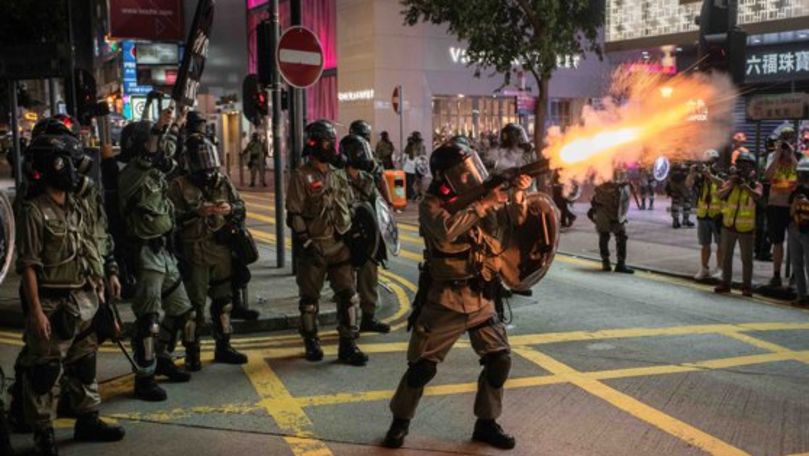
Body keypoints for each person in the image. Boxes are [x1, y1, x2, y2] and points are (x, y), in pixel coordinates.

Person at [383, 143, 531, 450]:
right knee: (421, 369)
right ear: (445, 178)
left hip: (480, 296)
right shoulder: (430, 205)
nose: (469, 177)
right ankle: (399, 423)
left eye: (470, 169)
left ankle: (486, 423)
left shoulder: (479, 197)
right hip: (444, 302)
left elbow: (510, 223)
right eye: (461, 173)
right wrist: (484, 202)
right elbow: (447, 230)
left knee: (499, 361)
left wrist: (516, 193)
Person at [16, 133, 124, 455]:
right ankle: (43, 433)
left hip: (85, 298)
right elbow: (29, 267)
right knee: (46, 371)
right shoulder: (34, 211)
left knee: (85, 362)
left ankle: (87, 418)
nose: (77, 170)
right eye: (68, 162)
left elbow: (88, 245)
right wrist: (36, 311)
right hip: (53, 303)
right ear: (55, 166)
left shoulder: (76, 205)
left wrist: (102, 280)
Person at [118, 109, 196, 401]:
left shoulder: (153, 174)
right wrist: (157, 130)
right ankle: (145, 376)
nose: (159, 148)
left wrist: (173, 126)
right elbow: (152, 153)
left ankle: (163, 357)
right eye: (151, 143)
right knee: (148, 321)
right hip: (144, 254)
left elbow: (165, 151)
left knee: (183, 312)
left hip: (164, 251)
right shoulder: (130, 177)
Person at [285, 120, 367, 365]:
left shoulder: (338, 174)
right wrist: (306, 244)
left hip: (339, 245)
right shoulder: (301, 176)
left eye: (333, 141)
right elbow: (294, 214)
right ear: (314, 143)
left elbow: (351, 204)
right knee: (310, 301)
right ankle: (311, 342)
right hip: (314, 248)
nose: (332, 146)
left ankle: (348, 345)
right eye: (327, 142)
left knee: (349, 297)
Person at [168, 125, 249, 370]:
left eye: (208, 157)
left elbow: (240, 206)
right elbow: (170, 220)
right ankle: (192, 352)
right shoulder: (178, 186)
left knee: (224, 302)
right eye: (200, 159)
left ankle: (223, 346)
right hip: (195, 253)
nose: (207, 166)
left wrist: (231, 209)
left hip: (221, 250)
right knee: (194, 309)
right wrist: (196, 213)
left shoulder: (222, 180)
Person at [340, 134, 391, 333]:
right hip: (345, 238)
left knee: (369, 277)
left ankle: (368, 317)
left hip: (366, 238)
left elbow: (376, 202)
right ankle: (347, 325)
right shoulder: (336, 179)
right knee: (346, 284)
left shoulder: (366, 178)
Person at [715, 151, 763, 297]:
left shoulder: (756, 184)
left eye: (745, 165)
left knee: (747, 259)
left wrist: (745, 187)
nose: (742, 168)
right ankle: (725, 283)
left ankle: (746, 286)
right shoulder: (731, 181)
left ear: (752, 168)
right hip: (728, 225)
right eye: (740, 165)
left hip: (746, 228)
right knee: (726, 257)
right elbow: (719, 195)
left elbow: (758, 197)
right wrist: (731, 184)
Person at [763, 130, 798, 287]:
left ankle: (795, 276)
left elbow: (802, 175)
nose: (785, 144)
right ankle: (776, 275)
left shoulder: (799, 158)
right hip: (776, 206)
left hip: (792, 207)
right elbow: (768, 176)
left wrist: (791, 155)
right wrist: (777, 156)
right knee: (777, 242)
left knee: (796, 243)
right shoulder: (772, 157)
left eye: (788, 140)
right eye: (783, 140)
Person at [589, 170, 634, 273]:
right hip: (606, 212)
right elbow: (608, 188)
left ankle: (615, 263)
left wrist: (625, 186)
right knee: (608, 236)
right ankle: (610, 262)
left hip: (612, 212)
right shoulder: (603, 173)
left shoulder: (617, 171)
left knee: (618, 237)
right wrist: (622, 185)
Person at [694, 149, 725, 280]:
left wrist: (710, 176)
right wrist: (691, 173)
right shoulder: (701, 176)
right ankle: (704, 268)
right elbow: (688, 185)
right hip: (703, 214)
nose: (709, 164)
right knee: (705, 244)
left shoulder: (722, 173)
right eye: (706, 162)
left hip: (717, 215)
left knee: (720, 244)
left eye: (711, 161)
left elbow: (723, 184)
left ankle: (720, 268)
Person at [788, 157, 809, 308]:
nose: (802, 177)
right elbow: (790, 211)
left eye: (804, 174)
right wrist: (796, 203)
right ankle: (801, 295)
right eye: (800, 174)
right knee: (797, 264)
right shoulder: (797, 190)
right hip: (795, 228)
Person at [666, 163, 695, 229]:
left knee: (675, 201)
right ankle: (685, 220)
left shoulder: (675, 160)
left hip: (673, 180)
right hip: (683, 181)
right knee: (687, 200)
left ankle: (675, 221)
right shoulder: (685, 159)